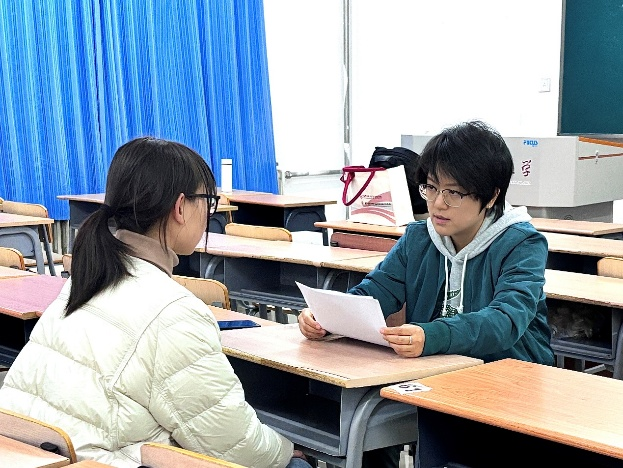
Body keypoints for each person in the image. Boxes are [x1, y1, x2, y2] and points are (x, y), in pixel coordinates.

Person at [0, 137, 311, 468]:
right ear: (180, 207)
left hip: (34, 448)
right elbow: (232, 445)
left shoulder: (90, 276)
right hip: (97, 458)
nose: (208, 215)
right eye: (208, 202)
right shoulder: (172, 311)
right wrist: (286, 450)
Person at [298, 121, 554, 467]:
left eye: (454, 193)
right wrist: (328, 317)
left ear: (492, 196)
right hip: (436, 375)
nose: (438, 203)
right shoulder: (418, 238)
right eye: (431, 188)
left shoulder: (522, 243)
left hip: (510, 383)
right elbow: (376, 291)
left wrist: (431, 335)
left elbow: (506, 321)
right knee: (361, 419)